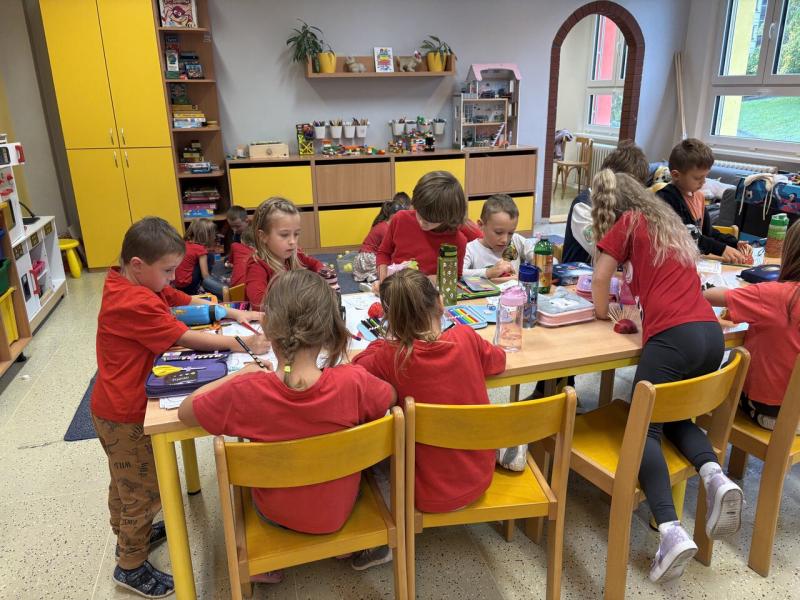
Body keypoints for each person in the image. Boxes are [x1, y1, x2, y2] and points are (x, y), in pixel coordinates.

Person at [178, 269, 396, 584]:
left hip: (276, 516)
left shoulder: (246, 391)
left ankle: (263, 560)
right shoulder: (355, 382)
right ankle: (342, 546)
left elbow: (185, 412)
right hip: (340, 513)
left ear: (267, 326)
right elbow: (389, 397)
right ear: (330, 329)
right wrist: (348, 370)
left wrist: (241, 375)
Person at [92, 217, 266, 598]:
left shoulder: (129, 281)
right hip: (126, 412)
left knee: (125, 483)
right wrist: (244, 343)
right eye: (168, 270)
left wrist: (231, 313)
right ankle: (130, 565)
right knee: (143, 491)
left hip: (113, 407)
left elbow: (180, 300)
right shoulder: (135, 300)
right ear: (138, 264)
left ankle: (127, 534)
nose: (173, 278)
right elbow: (185, 336)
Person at [591, 170, 744, 583]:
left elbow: (601, 276)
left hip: (674, 337)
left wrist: (602, 314)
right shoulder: (668, 224)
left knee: (643, 430)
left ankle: (670, 530)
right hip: (709, 335)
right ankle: (714, 476)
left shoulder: (629, 221)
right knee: (674, 417)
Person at [351, 269, 506, 569]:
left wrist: (382, 343)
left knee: (374, 457)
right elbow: (498, 360)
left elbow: (357, 368)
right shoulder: (465, 337)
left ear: (390, 320)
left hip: (423, 494)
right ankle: (508, 448)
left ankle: (386, 538)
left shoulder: (389, 356)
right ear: (440, 302)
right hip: (479, 478)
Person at [704, 221, 800, 432]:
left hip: (770, 412)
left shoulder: (775, 295)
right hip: (795, 412)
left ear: (789, 252)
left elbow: (709, 295)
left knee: (718, 374)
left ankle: (690, 430)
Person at [656, 138, 751, 264]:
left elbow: (708, 232)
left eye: (705, 176)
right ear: (676, 175)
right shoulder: (665, 199)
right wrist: (721, 249)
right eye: (697, 178)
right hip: (672, 263)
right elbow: (685, 236)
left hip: (694, 261)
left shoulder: (699, 197)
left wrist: (734, 243)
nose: (703, 181)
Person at [376, 171, 480, 283]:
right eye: (419, 214)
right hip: (397, 287)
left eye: (430, 221)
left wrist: (431, 279)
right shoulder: (400, 219)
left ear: (448, 217)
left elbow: (455, 276)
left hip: (429, 291)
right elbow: (383, 253)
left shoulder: (457, 240)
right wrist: (383, 280)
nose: (421, 223)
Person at [562, 140, 649, 264]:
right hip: (580, 274)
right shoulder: (582, 206)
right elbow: (605, 255)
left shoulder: (628, 206)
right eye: (630, 188)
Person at [244, 197, 324, 307]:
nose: (293, 241)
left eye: (296, 234)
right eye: (284, 235)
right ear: (263, 236)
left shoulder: (295, 254)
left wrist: (324, 275)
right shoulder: (257, 266)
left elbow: (317, 265)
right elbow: (259, 304)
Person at [463, 194, 527, 280]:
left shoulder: (516, 240)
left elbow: (539, 256)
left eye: (510, 233)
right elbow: (458, 273)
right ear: (481, 225)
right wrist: (488, 272)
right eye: (498, 232)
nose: (505, 240)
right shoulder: (471, 250)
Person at [353, 192, 410, 283]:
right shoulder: (386, 229)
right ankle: (373, 277)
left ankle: (371, 276)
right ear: (395, 217)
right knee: (392, 268)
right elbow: (390, 251)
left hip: (362, 259)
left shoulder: (384, 224)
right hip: (368, 258)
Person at [174, 217, 217, 295]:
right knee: (210, 255)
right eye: (213, 235)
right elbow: (205, 275)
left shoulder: (184, 244)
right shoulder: (200, 249)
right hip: (188, 286)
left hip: (176, 284)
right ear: (206, 235)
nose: (214, 237)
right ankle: (202, 288)